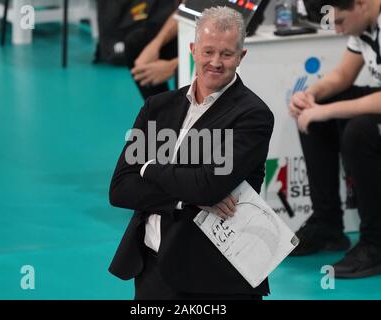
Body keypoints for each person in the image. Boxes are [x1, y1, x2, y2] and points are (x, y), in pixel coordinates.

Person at [109, 6, 274, 299]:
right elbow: (121, 188)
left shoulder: (253, 116)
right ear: (193, 49)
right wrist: (187, 200)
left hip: (215, 279)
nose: (216, 62)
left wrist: (149, 168)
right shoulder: (158, 107)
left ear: (241, 56)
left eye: (226, 54)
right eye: (208, 52)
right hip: (150, 271)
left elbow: (207, 186)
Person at [289, 0, 381, 278]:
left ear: (361, 4)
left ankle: (375, 247)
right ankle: (327, 224)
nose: (338, 31)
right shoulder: (364, 18)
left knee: (359, 132)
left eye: (339, 22)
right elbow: (342, 75)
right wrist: (312, 96)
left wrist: (324, 111)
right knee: (317, 114)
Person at [124, 1, 180, 100]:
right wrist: (155, 44)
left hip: (211, 47)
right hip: (197, 33)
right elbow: (185, 9)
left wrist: (174, 68)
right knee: (137, 44)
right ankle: (161, 113)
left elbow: (215, 46)